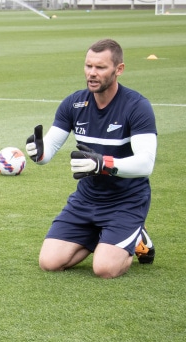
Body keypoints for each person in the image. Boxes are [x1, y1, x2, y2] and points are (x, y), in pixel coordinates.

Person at [25, 38, 158, 279]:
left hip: (125, 202)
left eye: (100, 67)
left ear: (119, 70)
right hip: (86, 200)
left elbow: (145, 163)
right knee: (49, 262)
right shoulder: (74, 103)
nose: (92, 73)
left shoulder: (137, 106)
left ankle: (136, 234)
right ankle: (105, 236)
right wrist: (38, 153)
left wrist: (103, 164)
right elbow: (49, 148)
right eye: (88, 66)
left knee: (104, 269)